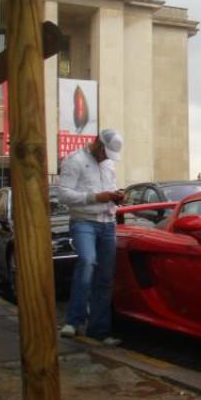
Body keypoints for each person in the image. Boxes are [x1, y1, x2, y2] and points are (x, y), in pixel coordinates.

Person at [58, 129, 124, 345]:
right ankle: (73, 320)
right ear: (97, 143)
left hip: (107, 223)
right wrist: (94, 197)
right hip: (84, 221)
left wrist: (116, 197)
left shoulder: (109, 164)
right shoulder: (74, 160)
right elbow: (64, 195)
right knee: (87, 262)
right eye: (105, 152)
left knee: (104, 277)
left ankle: (99, 330)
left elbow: (110, 189)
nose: (106, 158)